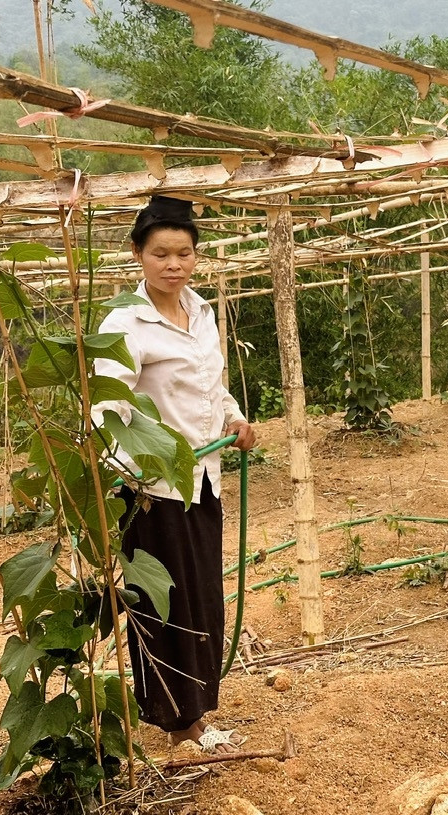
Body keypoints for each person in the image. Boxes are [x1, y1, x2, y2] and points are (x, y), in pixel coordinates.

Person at [91, 195, 256, 754]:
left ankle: (197, 718)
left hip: (202, 479)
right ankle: (177, 723)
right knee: (167, 607)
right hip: (152, 489)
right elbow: (105, 408)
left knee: (203, 597)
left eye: (183, 253)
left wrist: (234, 418)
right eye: (160, 253)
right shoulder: (124, 323)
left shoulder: (200, 310)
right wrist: (125, 474)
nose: (173, 265)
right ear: (139, 254)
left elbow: (211, 385)